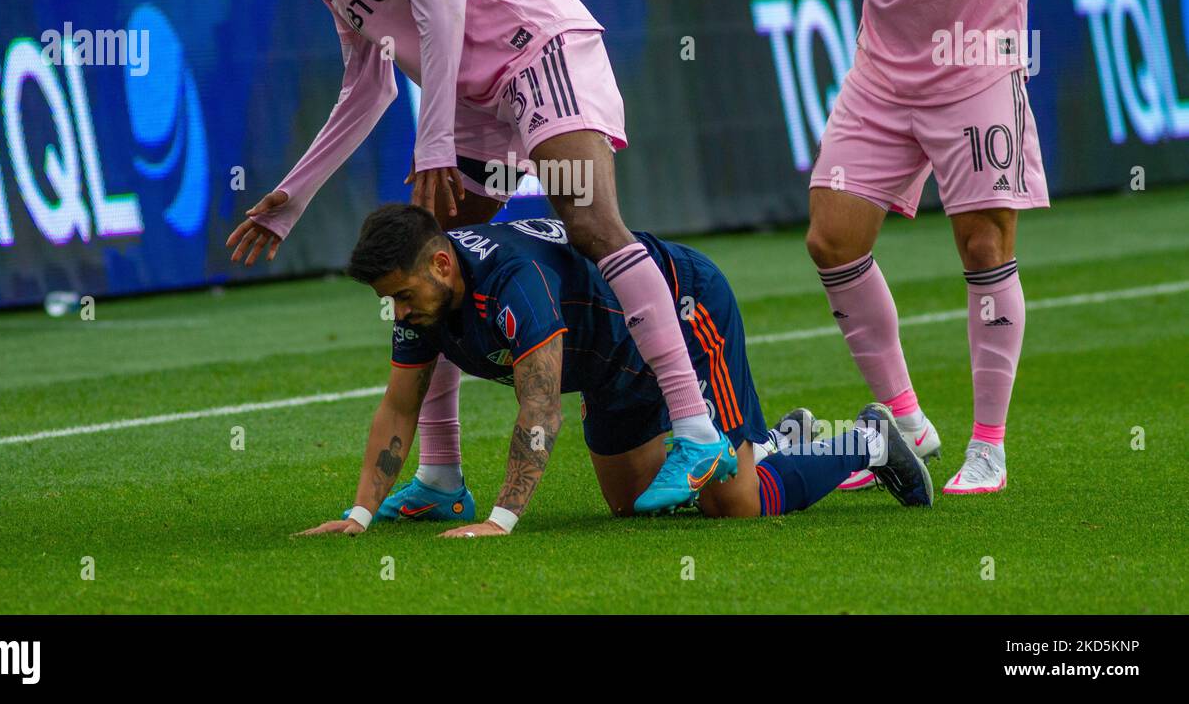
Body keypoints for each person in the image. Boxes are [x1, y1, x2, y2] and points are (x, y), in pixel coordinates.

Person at [199, 0, 739, 513]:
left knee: (591, 224)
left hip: (535, 49)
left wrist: (436, 144)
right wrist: (293, 197)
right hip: (476, 96)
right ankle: (442, 477)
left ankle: (695, 428)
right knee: (438, 261)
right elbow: (368, 87)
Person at [296, 205, 933, 536]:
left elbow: (540, 410)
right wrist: (357, 517)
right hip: (611, 366)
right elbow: (399, 405)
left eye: (402, 294)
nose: (397, 310)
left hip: (683, 311)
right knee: (631, 507)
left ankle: (865, 442)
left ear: (440, 266)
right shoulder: (426, 297)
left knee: (734, 504)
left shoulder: (513, 285)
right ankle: (774, 446)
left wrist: (501, 519)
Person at [798, 0, 1048, 494]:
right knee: (831, 239)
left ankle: (990, 447)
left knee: (982, 245)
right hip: (882, 69)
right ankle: (906, 424)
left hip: (975, 59)